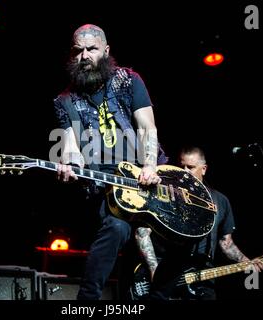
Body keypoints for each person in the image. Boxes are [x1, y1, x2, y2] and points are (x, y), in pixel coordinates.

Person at [53, 24, 165, 300]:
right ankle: (87, 300)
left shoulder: (128, 80)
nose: (85, 56)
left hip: (147, 178)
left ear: (106, 51)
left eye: (91, 49)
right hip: (106, 186)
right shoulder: (65, 100)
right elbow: (70, 147)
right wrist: (69, 164)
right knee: (116, 226)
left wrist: (149, 166)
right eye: (78, 51)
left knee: (160, 244)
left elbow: (146, 128)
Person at [134, 146, 263, 300]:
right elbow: (142, 232)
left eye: (190, 167)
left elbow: (226, 243)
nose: (184, 172)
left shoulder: (220, 201)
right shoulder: (164, 193)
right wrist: (153, 269)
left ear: (203, 169)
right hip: (166, 272)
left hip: (202, 277)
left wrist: (246, 261)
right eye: (181, 166)